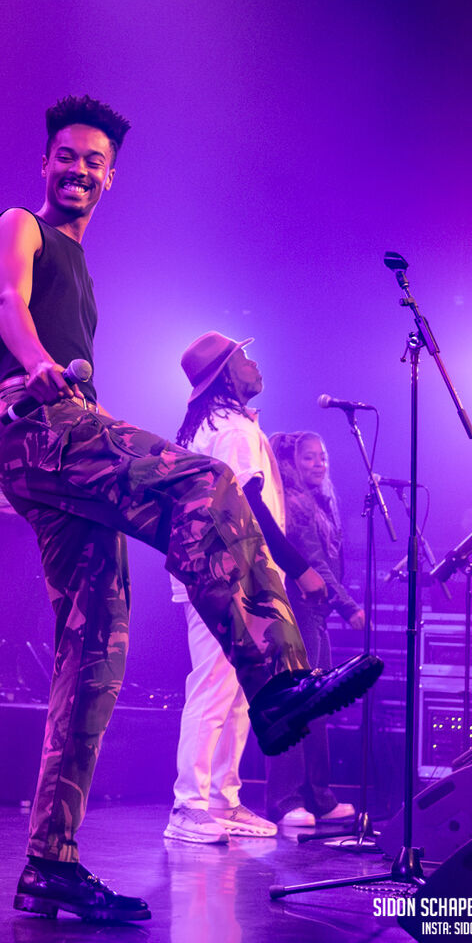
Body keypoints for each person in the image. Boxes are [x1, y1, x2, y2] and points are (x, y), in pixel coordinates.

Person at [0, 94, 382, 924]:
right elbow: (9, 304)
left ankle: (49, 862)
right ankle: (277, 681)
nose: (77, 169)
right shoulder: (19, 225)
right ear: (44, 162)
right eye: (65, 155)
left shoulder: (81, 265)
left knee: (95, 652)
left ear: (111, 178)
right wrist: (38, 363)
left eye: (93, 161)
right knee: (207, 482)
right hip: (32, 421)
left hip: (61, 439)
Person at [165, 331, 327, 845]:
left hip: (227, 569)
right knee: (215, 686)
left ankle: (221, 798)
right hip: (228, 572)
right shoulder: (232, 429)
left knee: (236, 690)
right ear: (224, 374)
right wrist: (297, 567)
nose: (255, 364)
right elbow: (250, 504)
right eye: (244, 358)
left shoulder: (220, 424)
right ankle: (189, 804)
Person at [266, 431, 366, 828]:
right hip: (300, 610)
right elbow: (313, 563)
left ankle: (319, 798)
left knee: (317, 706)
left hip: (316, 613)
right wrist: (349, 606)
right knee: (296, 705)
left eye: (322, 456)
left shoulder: (317, 502)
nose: (319, 463)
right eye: (308, 457)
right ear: (290, 462)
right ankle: (286, 801)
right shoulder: (295, 504)